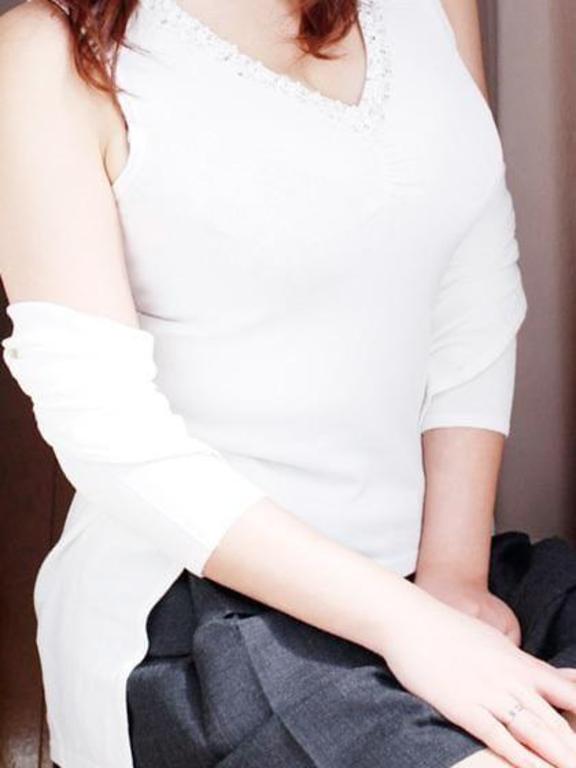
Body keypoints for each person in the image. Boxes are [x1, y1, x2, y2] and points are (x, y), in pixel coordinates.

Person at [1, 0, 576, 766]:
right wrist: (410, 625)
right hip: (194, 605)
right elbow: (108, 431)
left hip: (426, 563)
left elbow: (472, 281)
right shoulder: (47, 51)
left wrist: (453, 576)